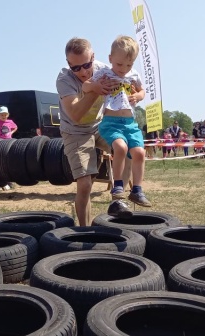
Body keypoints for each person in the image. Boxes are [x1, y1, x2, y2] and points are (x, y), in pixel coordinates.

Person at [57, 37, 128, 225]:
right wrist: (95, 89)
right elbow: (76, 115)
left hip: (99, 126)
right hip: (75, 131)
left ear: (94, 57)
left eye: (87, 65)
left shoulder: (104, 70)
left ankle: (118, 201)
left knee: (129, 148)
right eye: (76, 68)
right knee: (85, 184)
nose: (83, 71)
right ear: (68, 64)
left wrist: (136, 94)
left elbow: (127, 86)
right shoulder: (64, 79)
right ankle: (84, 230)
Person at [82, 35, 150, 209]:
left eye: (129, 65)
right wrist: (95, 87)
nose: (124, 69)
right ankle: (117, 185)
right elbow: (85, 86)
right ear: (110, 59)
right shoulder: (105, 73)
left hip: (130, 123)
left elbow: (142, 91)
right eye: (119, 64)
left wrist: (138, 96)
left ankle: (137, 189)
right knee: (120, 147)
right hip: (111, 122)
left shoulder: (133, 75)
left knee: (140, 153)